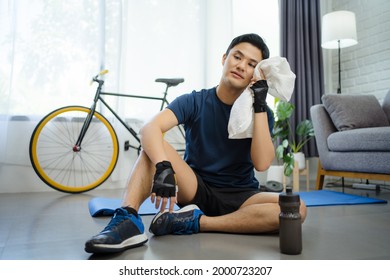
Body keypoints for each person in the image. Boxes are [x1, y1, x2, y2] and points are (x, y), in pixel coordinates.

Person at [84, 33, 307, 254]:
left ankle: (195, 222)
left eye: (251, 64)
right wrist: (164, 167)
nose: (241, 66)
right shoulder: (195, 100)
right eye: (237, 57)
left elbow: (262, 164)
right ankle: (127, 220)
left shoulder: (262, 113)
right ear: (224, 58)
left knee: (297, 209)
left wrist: (259, 104)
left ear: (256, 74)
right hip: (195, 188)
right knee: (150, 149)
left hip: (242, 195)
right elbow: (149, 129)